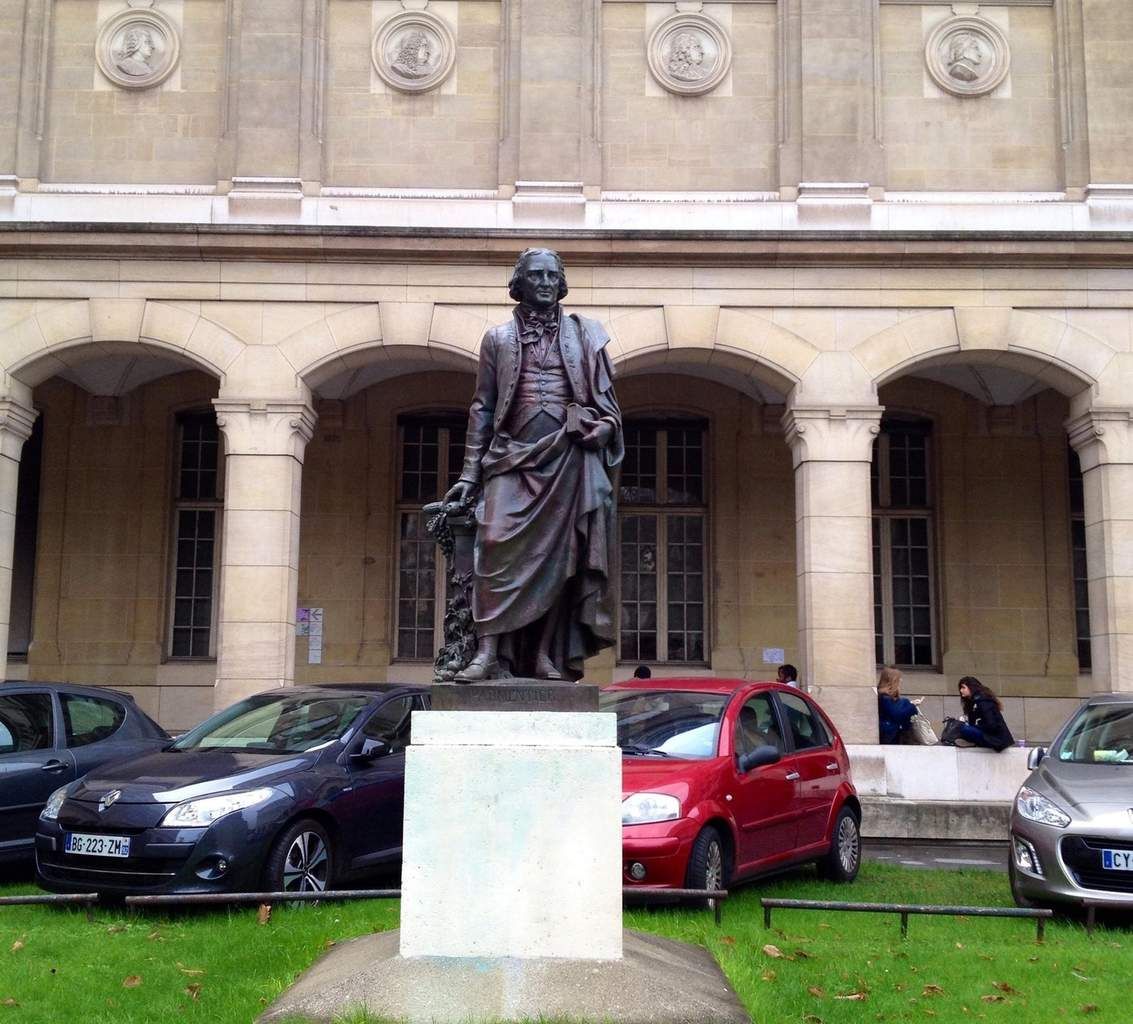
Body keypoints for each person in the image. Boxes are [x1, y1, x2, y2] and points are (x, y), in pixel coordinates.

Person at [443, 248, 623, 681]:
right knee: (493, 547)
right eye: (535, 275)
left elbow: (609, 410)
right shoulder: (497, 339)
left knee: (559, 561)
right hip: (510, 457)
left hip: (566, 457)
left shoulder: (585, 336)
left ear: (561, 284)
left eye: (551, 275)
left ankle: (543, 655)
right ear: (518, 283)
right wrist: (469, 474)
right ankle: (487, 653)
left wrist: (603, 429)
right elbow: (483, 408)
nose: (544, 282)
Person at [951, 676, 1014, 751]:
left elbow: (992, 725)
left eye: (963, 687)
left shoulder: (983, 701)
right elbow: (973, 722)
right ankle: (972, 741)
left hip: (997, 739)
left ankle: (974, 741)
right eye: (960, 688)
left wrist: (976, 727)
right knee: (960, 727)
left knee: (964, 729)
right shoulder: (973, 702)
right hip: (987, 735)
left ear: (971, 687)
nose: (961, 691)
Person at [877, 666, 919, 744]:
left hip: (892, 735)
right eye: (899, 679)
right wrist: (911, 706)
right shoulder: (884, 697)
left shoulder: (885, 696)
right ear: (893, 681)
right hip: (890, 737)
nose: (901, 680)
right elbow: (897, 714)